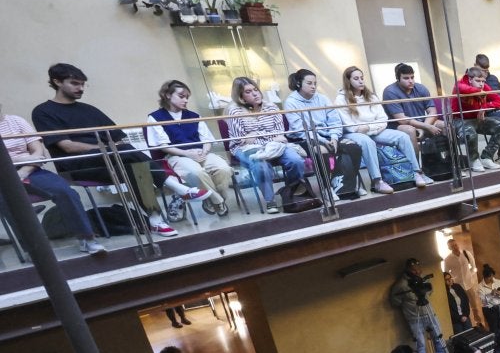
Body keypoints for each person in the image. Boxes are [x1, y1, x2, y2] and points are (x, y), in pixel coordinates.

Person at [31, 63, 181, 236]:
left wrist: (111, 149)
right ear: (57, 82)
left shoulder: (89, 110)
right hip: (78, 167)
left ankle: (155, 220)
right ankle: (171, 184)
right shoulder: (43, 111)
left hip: (111, 163)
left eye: (82, 84)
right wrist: (105, 149)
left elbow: (119, 138)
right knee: (126, 154)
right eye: (74, 83)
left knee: (135, 167)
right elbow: (67, 146)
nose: (81, 88)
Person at [1, 104, 107, 254]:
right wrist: (21, 158)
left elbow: (38, 152)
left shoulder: (16, 121)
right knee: (7, 202)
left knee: (65, 191)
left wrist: (24, 170)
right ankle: (33, 249)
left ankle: (87, 239)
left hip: (31, 170)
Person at [143, 79, 232, 216]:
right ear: (167, 95)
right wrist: (187, 153)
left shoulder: (194, 116)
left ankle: (210, 198)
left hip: (201, 152)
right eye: (181, 96)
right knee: (196, 172)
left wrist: (204, 151)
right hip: (176, 155)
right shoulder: (155, 117)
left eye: (187, 97)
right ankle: (217, 201)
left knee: (224, 168)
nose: (185, 100)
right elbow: (163, 146)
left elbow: (207, 139)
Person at [337, 65, 431, 193]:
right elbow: (350, 127)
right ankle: (378, 181)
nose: (361, 81)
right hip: (354, 133)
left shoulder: (371, 96)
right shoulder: (341, 99)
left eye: (362, 78)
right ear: (349, 81)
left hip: (372, 130)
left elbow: (383, 119)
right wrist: (368, 129)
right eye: (356, 78)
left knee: (402, 136)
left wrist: (369, 127)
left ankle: (415, 172)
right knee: (367, 142)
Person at [224, 76, 309, 213]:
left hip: (274, 145)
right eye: (248, 92)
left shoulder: (271, 106)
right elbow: (241, 139)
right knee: (261, 166)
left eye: (255, 89)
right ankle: (270, 200)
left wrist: (255, 134)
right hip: (246, 148)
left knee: (296, 160)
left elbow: (280, 132)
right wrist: (267, 136)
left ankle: (289, 190)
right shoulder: (234, 111)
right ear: (240, 96)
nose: (255, 93)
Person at [283, 68, 364, 198]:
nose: (313, 86)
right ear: (299, 83)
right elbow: (300, 129)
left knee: (354, 148)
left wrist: (334, 137)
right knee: (322, 151)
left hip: (328, 135)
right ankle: (327, 188)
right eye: (309, 83)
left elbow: (334, 120)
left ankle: (350, 182)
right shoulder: (291, 102)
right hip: (304, 138)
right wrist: (325, 141)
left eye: (315, 83)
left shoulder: (322, 98)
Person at [391, 258, 455, 353]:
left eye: (418, 269)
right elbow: (395, 301)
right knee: (420, 342)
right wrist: (409, 303)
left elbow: (429, 290)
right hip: (415, 317)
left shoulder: (423, 278)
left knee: (438, 336)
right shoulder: (401, 285)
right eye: (414, 270)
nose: (418, 272)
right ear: (408, 270)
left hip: (429, 313)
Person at [450, 67, 500, 170]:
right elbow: (465, 89)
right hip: (459, 120)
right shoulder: (459, 85)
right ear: (469, 79)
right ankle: (474, 160)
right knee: (471, 133)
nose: (481, 84)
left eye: (483, 81)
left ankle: (486, 157)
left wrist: (484, 107)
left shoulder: (484, 87)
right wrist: (480, 92)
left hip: (477, 119)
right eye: (478, 81)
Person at [382, 63, 445, 157]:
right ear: (398, 79)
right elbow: (402, 120)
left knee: (444, 125)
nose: (410, 81)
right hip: (398, 125)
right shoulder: (390, 91)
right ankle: (416, 167)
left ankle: (451, 161)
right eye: (406, 78)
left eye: (412, 77)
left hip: (422, 122)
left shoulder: (421, 88)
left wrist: (424, 127)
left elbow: (433, 112)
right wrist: (425, 127)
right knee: (410, 130)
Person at [477, 264, 500, 333]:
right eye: (489, 277)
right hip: (489, 309)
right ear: (485, 277)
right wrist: (491, 294)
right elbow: (483, 302)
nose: (491, 279)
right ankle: (495, 342)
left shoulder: (498, 282)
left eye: (492, 276)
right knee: (493, 328)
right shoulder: (480, 286)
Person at [445, 271, 473, 335]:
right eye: (446, 279)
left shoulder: (457, 286)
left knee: (470, 335)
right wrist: (459, 317)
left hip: (465, 316)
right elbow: (448, 308)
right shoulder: (445, 293)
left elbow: (465, 300)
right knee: (461, 337)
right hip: (456, 320)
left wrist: (466, 314)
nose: (449, 280)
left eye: (450, 278)